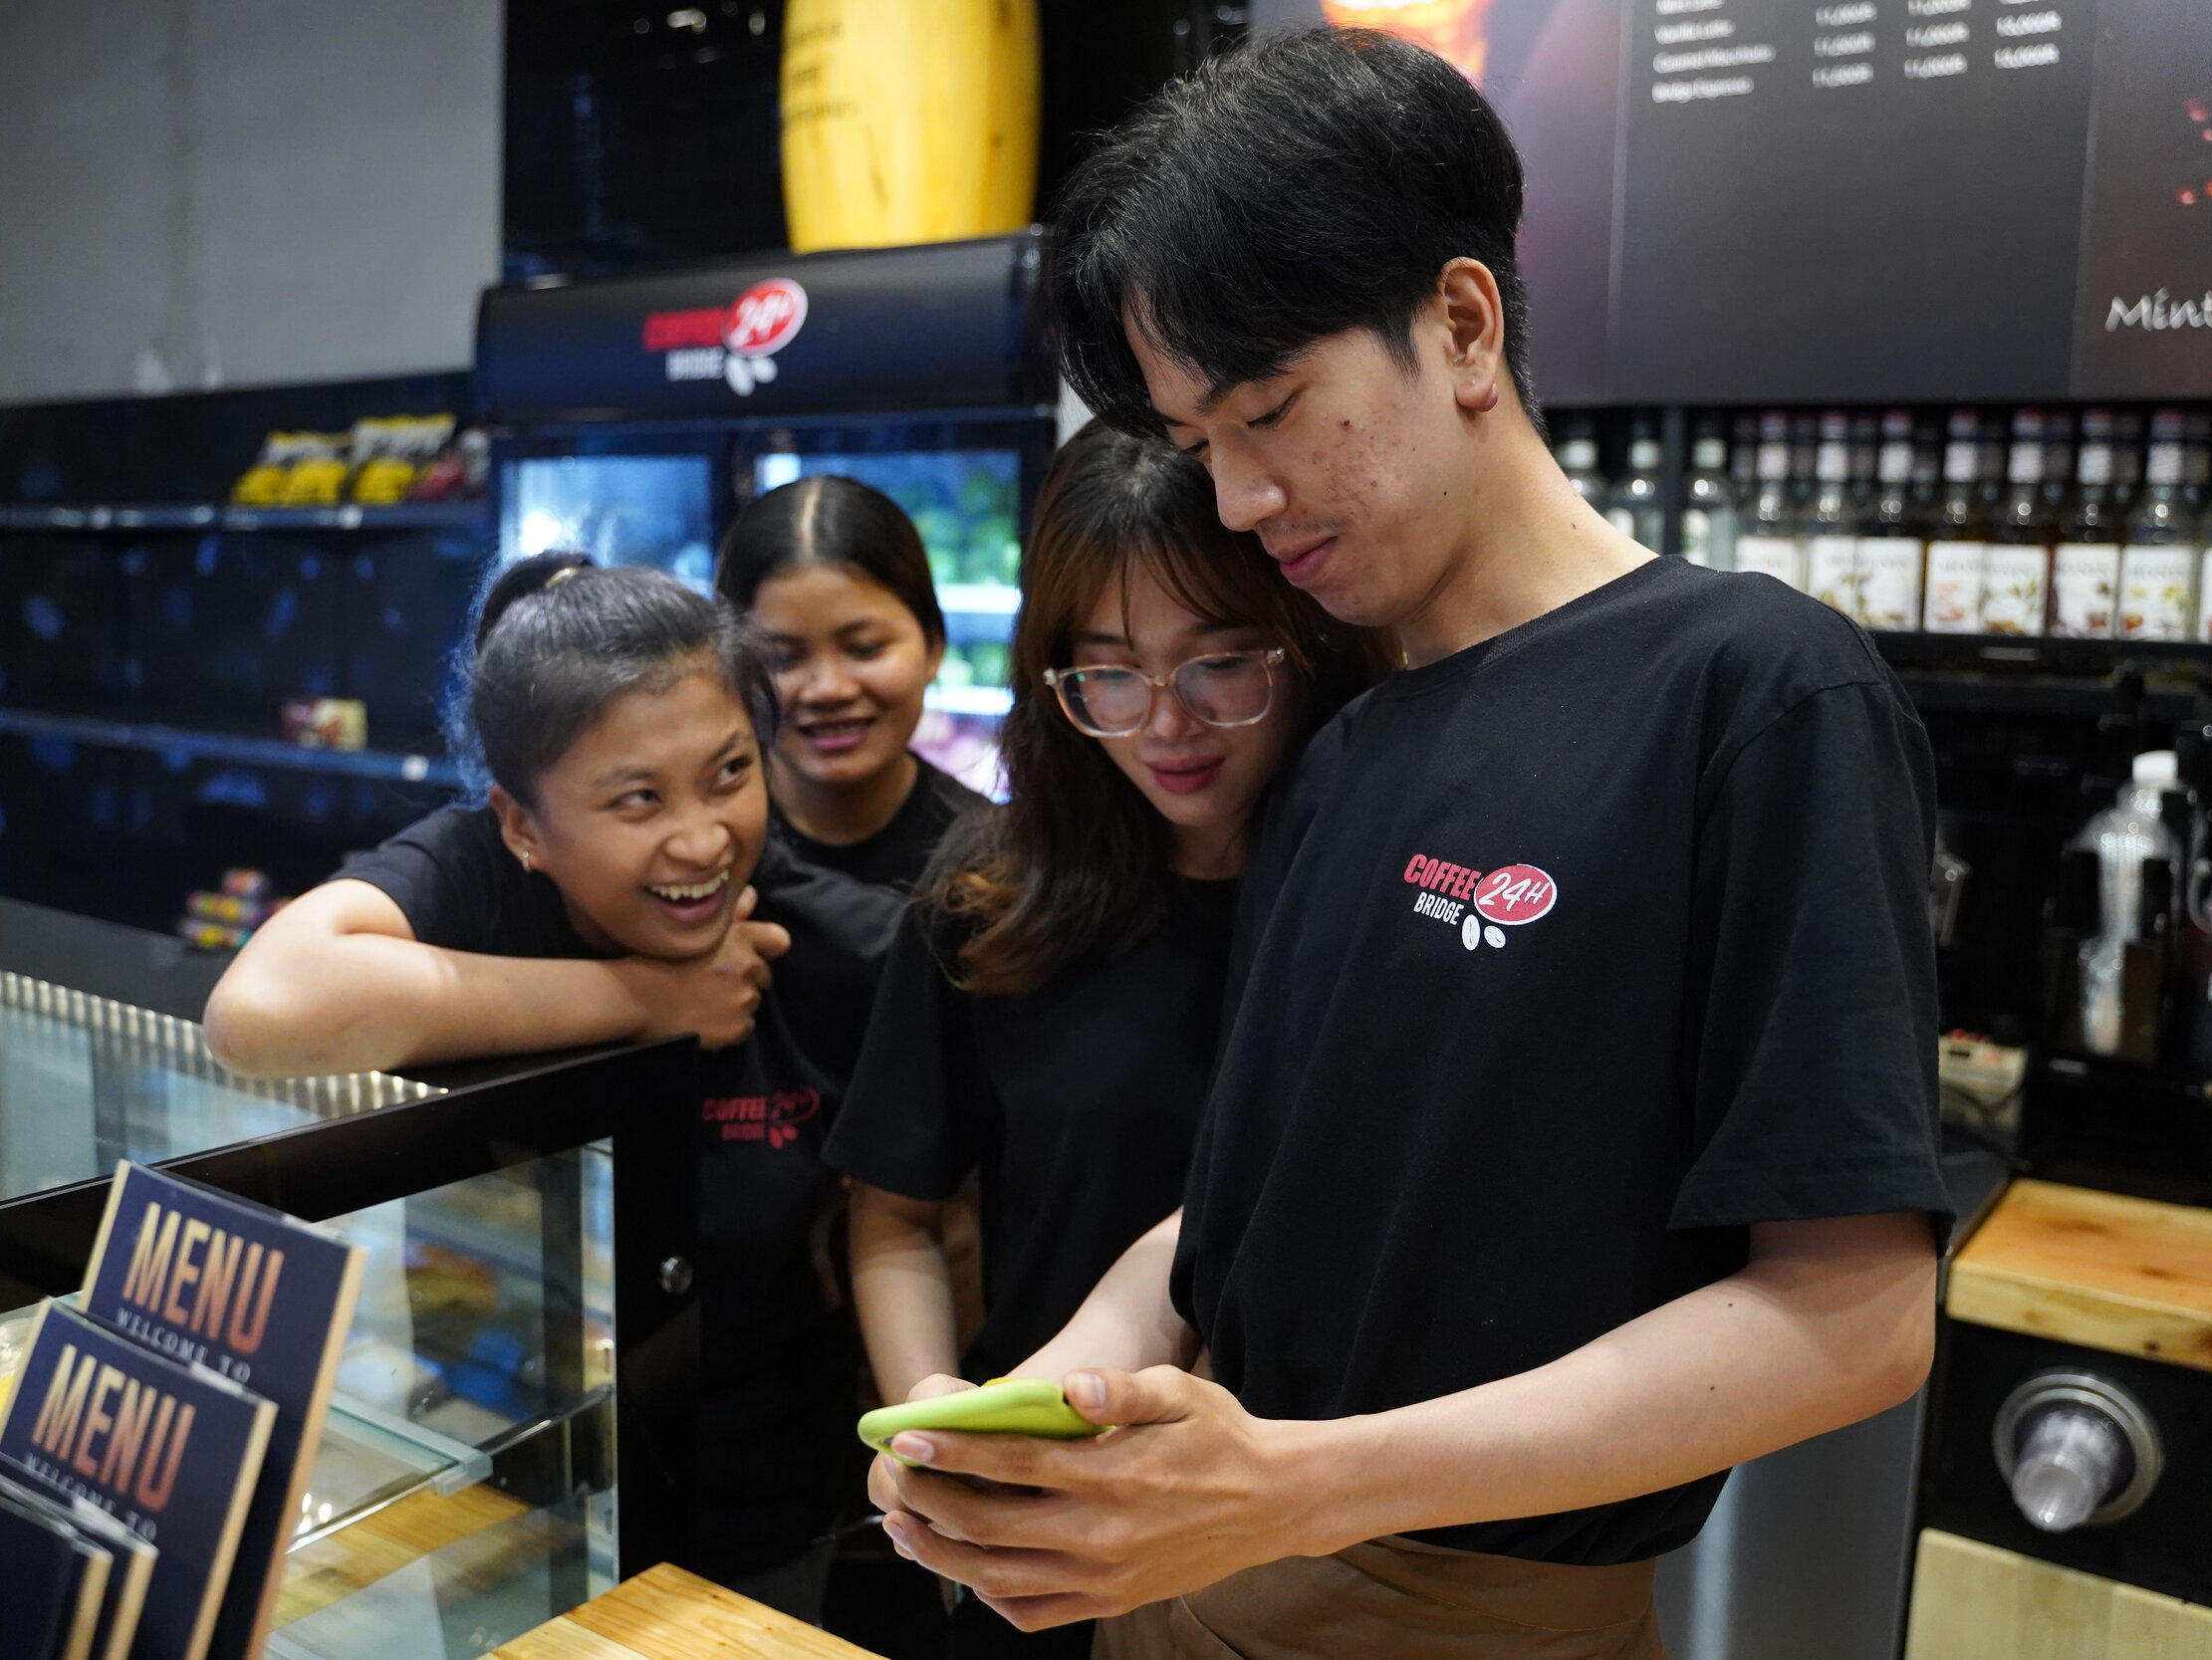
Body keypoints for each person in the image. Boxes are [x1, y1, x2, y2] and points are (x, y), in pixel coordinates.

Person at [864, 29, 1949, 1659]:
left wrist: (1298, 1486)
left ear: (1459, 322)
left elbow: (1854, 1313)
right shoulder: (1344, 740)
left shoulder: (1755, 688)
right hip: (1181, 1593)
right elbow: (1243, 1215)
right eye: (1196, 441)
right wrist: (1027, 1414)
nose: (1236, 499)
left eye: (1272, 411)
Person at [205, 556, 901, 1622]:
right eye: (636, 798)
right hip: (498, 1484)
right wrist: (640, 997)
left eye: (728, 772)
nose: (702, 838)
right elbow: (260, 1012)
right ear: (522, 823)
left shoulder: (824, 940)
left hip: (755, 1508)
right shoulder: (472, 871)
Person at [826, 424, 1391, 1659]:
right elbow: (896, 1217)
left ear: (1303, 641)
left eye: (1220, 663)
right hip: (1039, 1520)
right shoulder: (992, 898)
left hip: (1321, 1543)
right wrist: (932, 1415)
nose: (1167, 723)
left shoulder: (1391, 890)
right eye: (1112, 674)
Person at [717, 474, 986, 892]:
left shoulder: (998, 864)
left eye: (865, 648)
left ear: (934, 647)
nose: (828, 689)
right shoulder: (703, 852)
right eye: (782, 658)